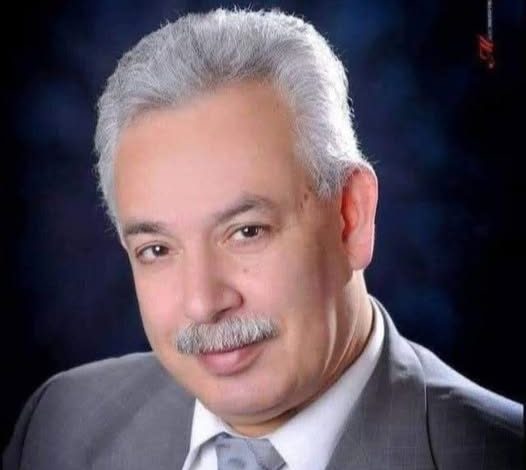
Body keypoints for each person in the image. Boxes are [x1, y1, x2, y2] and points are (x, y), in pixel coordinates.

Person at [3, 8, 522, 470]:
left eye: (246, 231)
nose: (203, 303)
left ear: (351, 217)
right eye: (156, 250)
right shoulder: (61, 424)